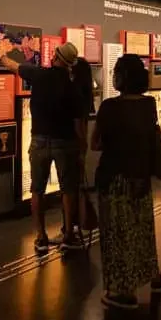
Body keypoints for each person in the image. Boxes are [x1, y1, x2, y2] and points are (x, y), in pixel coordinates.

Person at [91, 54, 161, 309]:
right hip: (140, 179)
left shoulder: (110, 107)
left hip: (115, 180)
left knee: (117, 236)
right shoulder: (148, 105)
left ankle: (123, 292)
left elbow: (96, 143)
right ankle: (153, 276)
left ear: (122, 77)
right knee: (142, 231)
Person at [1, 42, 85, 253]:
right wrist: (81, 150)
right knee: (68, 189)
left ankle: (40, 238)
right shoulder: (73, 87)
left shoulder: (38, 75)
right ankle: (67, 236)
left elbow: (12, 65)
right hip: (65, 142)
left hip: (38, 140)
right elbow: (78, 125)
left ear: (55, 57)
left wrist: (1, 54)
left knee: (37, 190)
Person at [71, 57, 96, 233]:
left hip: (73, 144)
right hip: (81, 145)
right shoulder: (86, 94)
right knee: (77, 184)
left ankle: (74, 225)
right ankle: (78, 222)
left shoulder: (75, 93)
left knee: (73, 187)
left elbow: (78, 124)